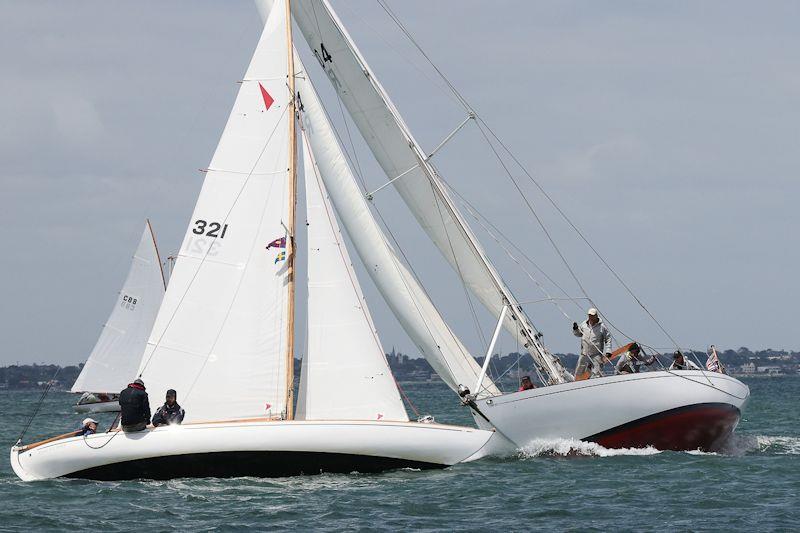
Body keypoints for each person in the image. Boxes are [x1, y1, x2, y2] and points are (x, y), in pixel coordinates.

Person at [572, 308, 612, 378]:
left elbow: (608, 338)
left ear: (596, 316)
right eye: (590, 315)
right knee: (578, 372)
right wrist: (575, 329)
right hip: (584, 353)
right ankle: (576, 384)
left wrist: (608, 351)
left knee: (597, 373)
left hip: (596, 354)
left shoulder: (602, 327)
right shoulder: (584, 324)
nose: (591, 317)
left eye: (593, 315)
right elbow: (578, 334)